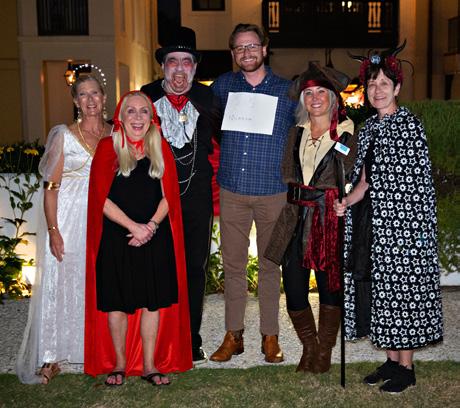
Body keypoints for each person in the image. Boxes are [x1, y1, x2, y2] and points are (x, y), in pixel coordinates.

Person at [334, 44, 443, 393]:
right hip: (375, 225)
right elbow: (365, 181)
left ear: (397, 88)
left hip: (404, 228)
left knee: (401, 293)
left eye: (384, 83)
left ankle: (406, 368)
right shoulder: (368, 128)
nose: (377, 90)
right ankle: (392, 360)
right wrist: (346, 201)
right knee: (382, 294)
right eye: (371, 84)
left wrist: (406, 229)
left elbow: (414, 183)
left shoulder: (409, 126)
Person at [84, 91, 192, 386]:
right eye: (130, 111)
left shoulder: (160, 148)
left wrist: (151, 227)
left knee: (151, 303)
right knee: (116, 304)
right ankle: (119, 364)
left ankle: (149, 365)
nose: (137, 117)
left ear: (151, 118)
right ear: (120, 117)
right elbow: (100, 199)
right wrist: (134, 226)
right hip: (116, 237)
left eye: (144, 111)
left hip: (154, 237)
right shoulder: (107, 149)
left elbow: (170, 196)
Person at [210, 23, 296, 363]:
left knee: (270, 266)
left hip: (273, 192)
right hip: (232, 189)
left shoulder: (287, 91)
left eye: (252, 46)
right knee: (233, 267)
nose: (246, 52)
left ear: (264, 48)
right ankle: (234, 336)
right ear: (233, 53)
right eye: (239, 48)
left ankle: (270, 336)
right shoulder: (222, 86)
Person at [16, 74, 111, 384]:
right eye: (83, 95)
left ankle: (96, 347)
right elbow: (51, 188)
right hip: (70, 218)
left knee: (98, 281)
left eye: (94, 93)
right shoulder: (64, 136)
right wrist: (54, 229)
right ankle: (52, 355)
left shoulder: (115, 133)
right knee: (64, 280)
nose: (90, 100)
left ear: (104, 97)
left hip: (106, 217)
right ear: (75, 101)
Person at [264, 62, 357, 373]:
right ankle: (310, 347)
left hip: (327, 218)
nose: (315, 98)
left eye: (321, 92)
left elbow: (354, 176)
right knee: (293, 289)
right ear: (302, 100)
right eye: (309, 93)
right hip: (295, 217)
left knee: (330, 288)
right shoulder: (296, 132)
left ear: (332, 97)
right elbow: (287, 172)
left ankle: (325, 350)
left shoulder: (347, 132)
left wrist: (342, 199)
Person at [141, 26, 221, 364]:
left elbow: (226, 144)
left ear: (194, 66)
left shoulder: (209, 99)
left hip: (196, 196)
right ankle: (157, 336)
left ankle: (190, 337)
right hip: (153, 196)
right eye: (172, 61)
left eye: (185, 61)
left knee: (193, 268)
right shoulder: (144, 98)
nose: (178, 68)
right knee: (156, 266)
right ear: (162, 66)